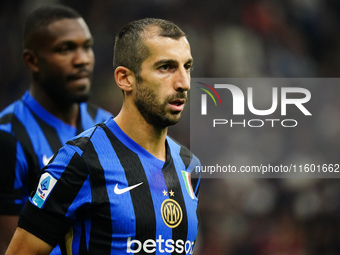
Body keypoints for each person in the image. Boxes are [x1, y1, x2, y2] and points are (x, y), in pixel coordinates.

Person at [5, 17, 201, 254]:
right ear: (125, 78)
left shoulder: (189, 166)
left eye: (187, 67)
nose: (183, 82)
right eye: (165, 67)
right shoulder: (80, 160)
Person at [0, 4, 112, 253]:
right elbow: (11, 247)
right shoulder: (8, 137)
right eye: (66, 49)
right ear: (32, 60)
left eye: (87, 46)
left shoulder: (108, 124)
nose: (82, 59)